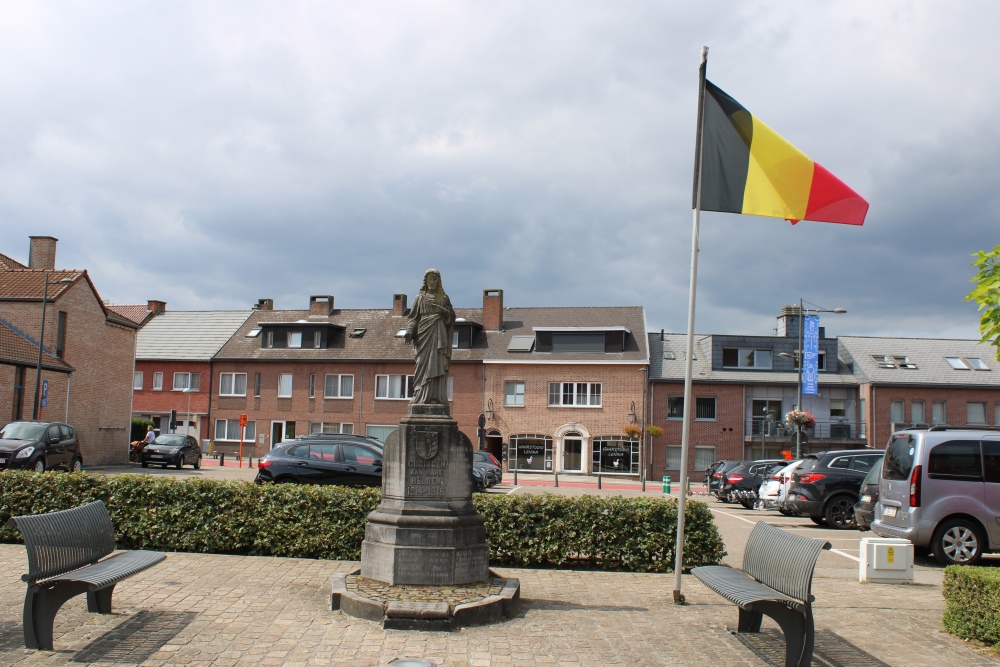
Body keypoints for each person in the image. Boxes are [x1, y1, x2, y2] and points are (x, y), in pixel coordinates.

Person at [404, 268, 455, 405]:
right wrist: (409, 332)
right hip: (423, 334)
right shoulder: (420, 297)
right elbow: (413, 318)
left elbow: (451, 317)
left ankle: (437, 397)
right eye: (430, 278)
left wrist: (444, 312)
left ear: (439, 281)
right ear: (425, 281)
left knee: (438, 362)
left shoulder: (444, 298)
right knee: (422, 363)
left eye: (435, 278)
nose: (433, 281)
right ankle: (420, 395)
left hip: (439, 333)